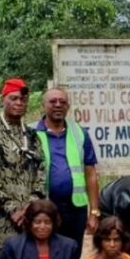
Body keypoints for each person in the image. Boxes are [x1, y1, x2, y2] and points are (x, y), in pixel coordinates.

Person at [0, 78, 47, 259]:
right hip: (0, 215)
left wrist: (28, 207)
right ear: (3, 100)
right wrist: (13, 209)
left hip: (30, 214)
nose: (19, 103)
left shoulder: (32, 135)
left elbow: (41, 172)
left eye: (23, 100)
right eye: (13, 99)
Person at [36, 87, 102, 250]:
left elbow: (90, 173)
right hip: (44, 208)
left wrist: (94, 212)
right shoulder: (31, 133)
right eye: (53, 101)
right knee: (45, 254)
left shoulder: (79, 132)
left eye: (62, 102)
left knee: (72, 253)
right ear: (44, 105)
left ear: (68, 107)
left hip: (75, 209)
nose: (58, 105)